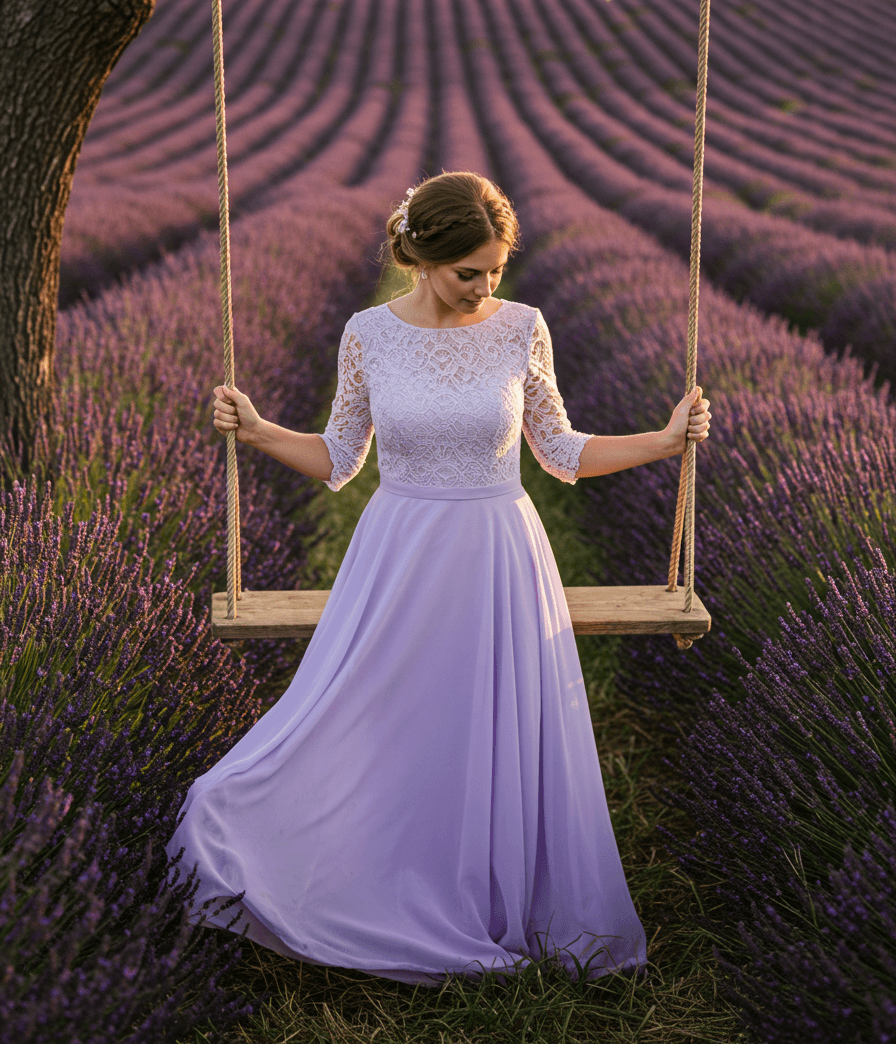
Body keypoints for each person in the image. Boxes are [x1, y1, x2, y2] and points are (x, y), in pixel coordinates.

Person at [166, 172, 711, 988]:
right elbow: (339, 459)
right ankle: (370, 873)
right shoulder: (367, 334)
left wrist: (665, 441)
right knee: (382, 717)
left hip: (499, 551)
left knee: (491, 725)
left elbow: (559, 452)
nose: (485, 287)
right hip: (401, 549)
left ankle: (492, 895)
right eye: (469, 272)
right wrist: (258, 429)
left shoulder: (522, 327)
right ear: (420, 256)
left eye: (496, 269)